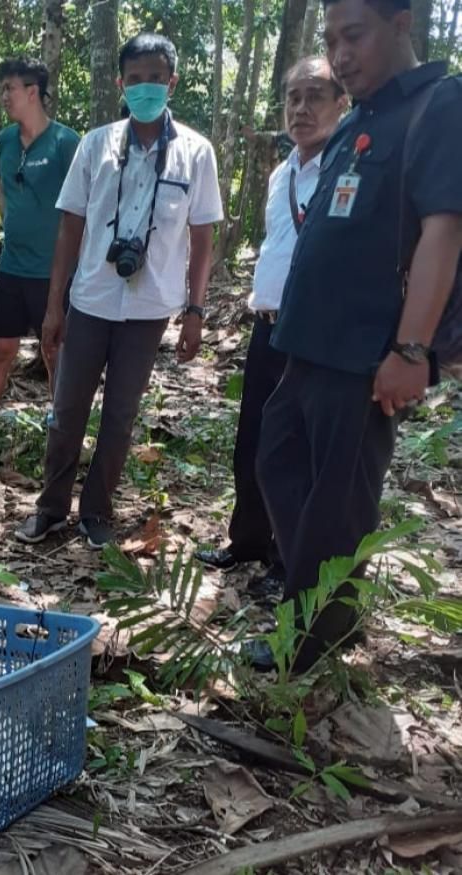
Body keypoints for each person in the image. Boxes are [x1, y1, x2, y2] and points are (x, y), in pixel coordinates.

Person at [252, 0, 462, 672]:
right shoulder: (358, 119)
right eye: (331, 39)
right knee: (276, 464)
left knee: (338, 501)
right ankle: (324, 609)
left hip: (365, 352)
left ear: (401, 25)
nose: (340, 55)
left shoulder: (439, 105)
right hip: (307, 344)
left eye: (355, 36)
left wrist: (411, 349)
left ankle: (311, 640)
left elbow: (444, 229)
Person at [16, 33, 223, 550]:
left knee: (121, 414)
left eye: (155, 79)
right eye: (135, 80)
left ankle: (97, 512)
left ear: (172, 82)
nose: (145, 88)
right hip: (91, 299)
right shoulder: (96, 144)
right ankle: (50, 507)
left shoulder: (196, 153)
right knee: (67, 410)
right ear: (120, 84)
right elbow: (70, 227)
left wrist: (195, 310)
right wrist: (53, 306)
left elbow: (202, 239)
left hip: (150, 308)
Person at [196, 58, 347, 598]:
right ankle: (248, 541)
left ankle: (288, 561)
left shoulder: (346, 167)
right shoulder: (282, 172)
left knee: (296, 454)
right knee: (253, 443)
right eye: (293, 98)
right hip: (267, 325)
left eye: (315, 96)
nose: (302, 109)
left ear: (340, 103)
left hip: (316, 334)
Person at [0, 57, 80, 448]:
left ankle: (64, 437)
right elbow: (1, 187)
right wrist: (9, 220)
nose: (2, 97)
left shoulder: (67, 143)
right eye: (1, 89)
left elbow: (82, 207)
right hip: (13, 267)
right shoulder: (4, 142)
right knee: (2, 349)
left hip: (54, 272)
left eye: (8, 89)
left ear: (33, 92)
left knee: (55, 350)